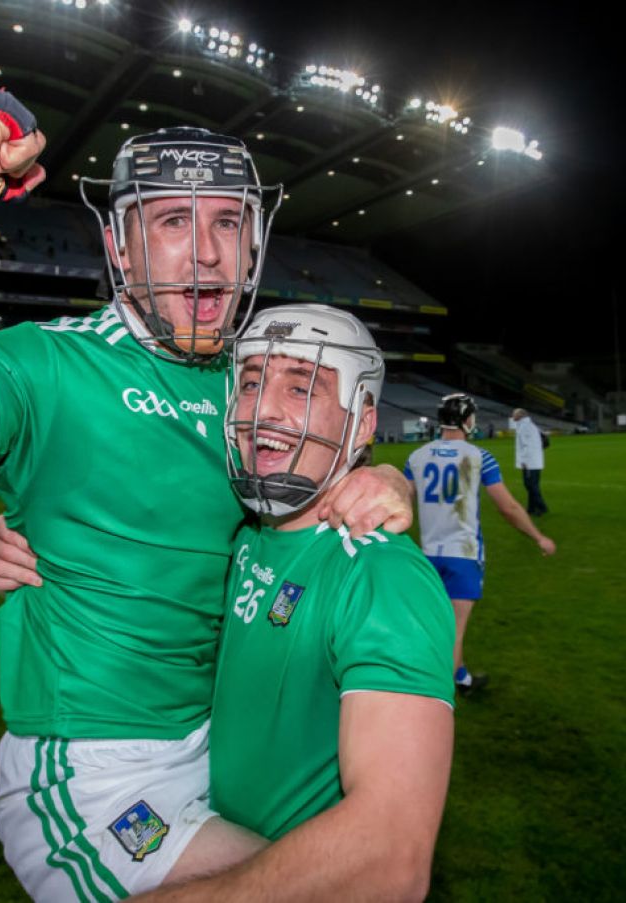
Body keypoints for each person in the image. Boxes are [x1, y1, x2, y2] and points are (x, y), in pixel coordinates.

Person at [0, 82, 411, 900]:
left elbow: (304, 499)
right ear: (120, 247)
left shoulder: (255, 386)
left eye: (228, 222)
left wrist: (382, 474)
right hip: (105, 780)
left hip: (228, 753)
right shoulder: (46, 367)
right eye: (173, 221)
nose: (205, 252)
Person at [125, 305, 456, 901]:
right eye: (250, 383)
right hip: (215, 839)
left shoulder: (380, 573)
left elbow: (391, 859)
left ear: (361, 423)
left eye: (301, 388)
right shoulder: (235, 534)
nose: (262, 410)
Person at [407, 395, 556, 694]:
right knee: (453, 633)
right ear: (467, 419)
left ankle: (461, 678)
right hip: (462, 554)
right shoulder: (479, 456)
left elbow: (401, 499)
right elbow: (508, 508)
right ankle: (436, 701)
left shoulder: (417, 456)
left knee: (435, 625)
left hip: (427, 554)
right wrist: (538, 536)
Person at [511, 407, 548, 516]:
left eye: (514, 414)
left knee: (530, 485)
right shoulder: (529, 425)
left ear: (520, 416)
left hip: (530, 462)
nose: (512, 416)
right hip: (534, 461)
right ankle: (531, 508)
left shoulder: (525, 427)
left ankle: (541, 507)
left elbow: (527, 446)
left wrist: (524, 460)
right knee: (532, 485)